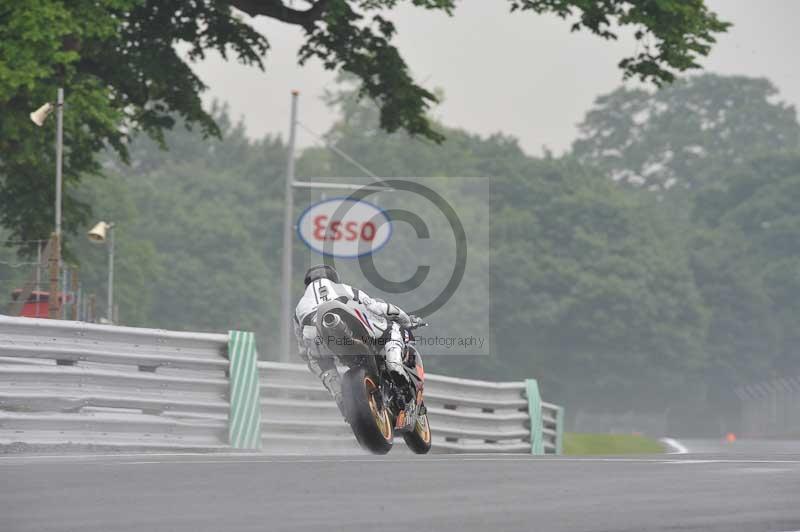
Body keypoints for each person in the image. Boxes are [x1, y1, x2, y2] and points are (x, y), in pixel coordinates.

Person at [294, 264, 418, 419]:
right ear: (333, 277)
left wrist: (316, 360)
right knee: (391, 330)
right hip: (354, 328)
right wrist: (406, 320)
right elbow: (376, 306)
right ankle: (396, 368)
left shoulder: (299, 307)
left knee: (317, 361)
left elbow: (302, 348)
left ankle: (340, 397)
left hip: (318, 337)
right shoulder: (343, 288)